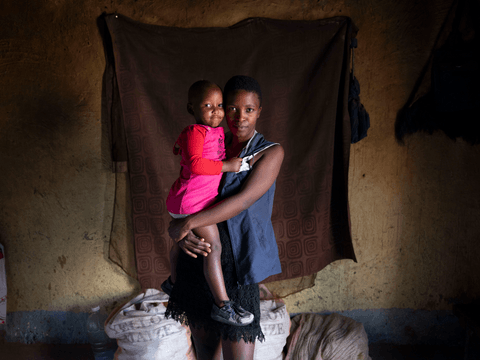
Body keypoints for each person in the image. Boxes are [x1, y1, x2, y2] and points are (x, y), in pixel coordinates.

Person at [166, 75, 284, 360]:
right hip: (201, 253)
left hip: (239, 263)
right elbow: (189, 193)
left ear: (259, 111)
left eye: (249, 110)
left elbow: (243, 200)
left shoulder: (270, 152)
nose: (239, 117)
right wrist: (179, 228)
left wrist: (187, 224)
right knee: (206, 351)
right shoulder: (210, 143)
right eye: (231, 108)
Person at [164, 80, 254, 326]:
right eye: (208, 105)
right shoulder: (195, 131)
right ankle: (222, 304)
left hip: (194, 200)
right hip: (191, 201)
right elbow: (195, 164)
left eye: (220, 105)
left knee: (186, 242)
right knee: (213, 247)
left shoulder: (214, 133)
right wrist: (228, 165)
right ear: (191, 108)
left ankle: (172, 282)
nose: (216, 111)